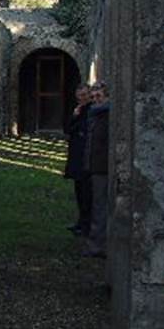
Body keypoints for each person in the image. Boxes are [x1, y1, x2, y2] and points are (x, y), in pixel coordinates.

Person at [83, 82, 110, 258]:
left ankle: (97, 245)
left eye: (99, 96)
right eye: (92, 97)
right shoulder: (96, 115)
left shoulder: (106, 115)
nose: (95, 100)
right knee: (98, 206)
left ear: (107, 97)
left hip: (102, 167)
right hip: (96, 166)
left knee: (100, 207)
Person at [64, 84, 92, 237]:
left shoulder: (91, 111)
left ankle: (86, 225)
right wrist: (74, 116)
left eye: (84, 95)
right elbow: (68, 129)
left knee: (87, 194)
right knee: (80, 193)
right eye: (79, 96)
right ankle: (81, 222)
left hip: (85, 159)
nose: (82, 98)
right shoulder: (79, 111)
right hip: (77, 158)